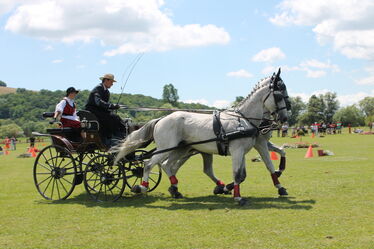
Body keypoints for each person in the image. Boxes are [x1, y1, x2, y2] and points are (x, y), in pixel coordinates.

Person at [85, 73, 127, 146]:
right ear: (106, 80)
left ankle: (120, 135)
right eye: (111, 82)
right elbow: (98, 102)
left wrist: (112, 107)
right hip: (92, 111)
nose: (112, 84)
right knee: (112, 117)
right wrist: (111, 106)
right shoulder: (98, 88)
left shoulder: (107, 92)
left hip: (100, 111)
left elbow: (105, 105)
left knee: (116, 117)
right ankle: (110, 138)